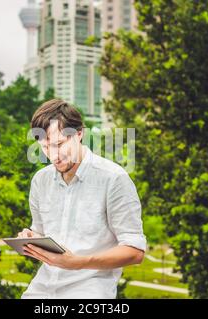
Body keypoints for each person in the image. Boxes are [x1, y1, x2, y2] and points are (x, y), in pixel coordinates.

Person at [19, 99, 147, 299]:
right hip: (41, 289)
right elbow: (42, 234)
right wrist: (30, 239)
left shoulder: (114, 178)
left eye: (59, 144)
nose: (53, 155)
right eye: (44, 147)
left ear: (79, 134)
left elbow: (135, 251)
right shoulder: (40, 181)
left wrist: (78, 262)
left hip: (89, 292)